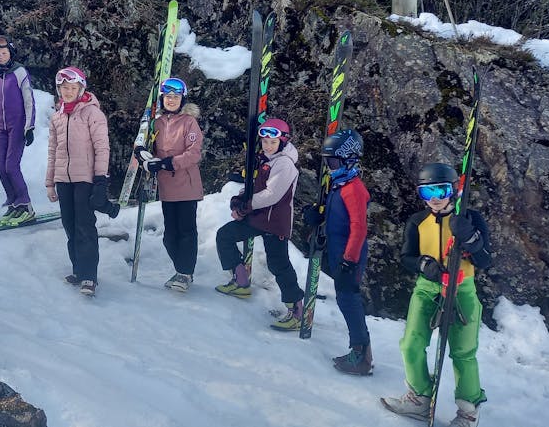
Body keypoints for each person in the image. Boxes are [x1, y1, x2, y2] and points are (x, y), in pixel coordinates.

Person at [381, 162, 491, 427]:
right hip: (427, 288)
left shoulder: (470, 219)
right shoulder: (418, 221)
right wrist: (422, 264)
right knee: (411, 344)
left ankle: (468, 410)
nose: (435, 200)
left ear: (453, 190)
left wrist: (471, 239)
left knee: (463, 352)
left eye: (440, 191)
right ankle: (419, 398)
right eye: (426, 193)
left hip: (461, 288)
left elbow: (485, 260)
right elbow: (406, 256)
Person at [213, 119, 306, 329]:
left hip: (274, 221)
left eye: (272, 142)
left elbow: (271, 195)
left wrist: (245, 206)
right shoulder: (264, 159)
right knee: (225, 235)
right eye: (265, 141)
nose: (268, 145)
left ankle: (297, 309)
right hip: (257, 217)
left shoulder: (284, 164)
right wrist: (239, 198)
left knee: (278, 264)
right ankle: (241, 281)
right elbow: (254, 185)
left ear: (282, 141)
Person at [303, 128, 373, 374]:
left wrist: (349, 260)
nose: (330, 167)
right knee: (345, 299)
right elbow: (334, 214)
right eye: (327, 162)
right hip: (338, 250)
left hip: (349, 254)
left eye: (333, 161)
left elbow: (359, 227)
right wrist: (317, 217)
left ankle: (361, 355)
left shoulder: (353, 188)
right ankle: (360, 352)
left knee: (348, 300)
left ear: (349, 158)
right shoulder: (339, 185)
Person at [46, 66, 115, 297]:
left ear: (81, 88)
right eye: (64, 88)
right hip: (63, 180)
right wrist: (49, 182)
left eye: (73, 88)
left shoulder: (92, 114)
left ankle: (89, 276)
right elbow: (53, 150)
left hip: (85, 179)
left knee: (85, 227)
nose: (68, 91)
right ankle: (78, 269)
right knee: (69, 225)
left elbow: (102, 147)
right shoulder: (57, 116)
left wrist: (100, 180)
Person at [133, 77, 203, 292]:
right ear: (163, 99)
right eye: (168, 97)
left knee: (186, 232)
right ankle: (181, 269)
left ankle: (185, 273)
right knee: (170, 236)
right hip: (167, 186)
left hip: (187, 185)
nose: (171, 100)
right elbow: (149, 148)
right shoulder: (157, 123)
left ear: (183, 99)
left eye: (176, 97)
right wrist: (145, 158)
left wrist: (169, 162)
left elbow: (194, 153)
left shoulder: (189, 122)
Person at [0, 35, 37, 222]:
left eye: (4, 53)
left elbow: (29, 100)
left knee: (11, 166)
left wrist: (29, 127)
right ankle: (14, 204)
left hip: (18, 127)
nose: (0, 57)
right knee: (1, 167)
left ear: (10, 53)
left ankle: (26, 205)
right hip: (1, 128)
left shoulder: (19, 72)